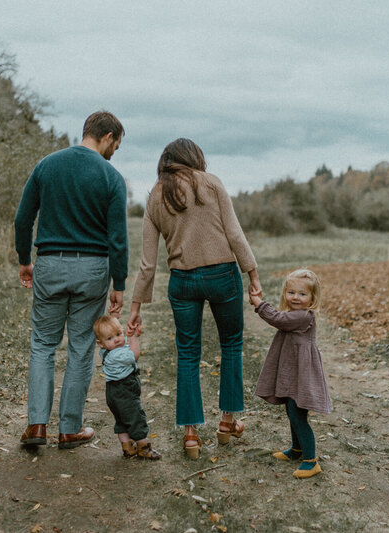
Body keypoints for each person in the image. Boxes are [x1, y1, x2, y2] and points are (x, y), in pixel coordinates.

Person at [127, 138, 262, 459]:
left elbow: (148, 262)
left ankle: (190, 435)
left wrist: (135, 308)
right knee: (231, 345)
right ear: (195, 158)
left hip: (183, 281)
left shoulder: (156, 195)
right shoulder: (211, 184)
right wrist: (253, 275)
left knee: (187, 355)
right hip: (222, 277)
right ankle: (228, 421)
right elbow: (234, 233)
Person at [15, 110, 128, 449]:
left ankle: (36, 427)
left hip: (49, 264)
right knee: (81, 348)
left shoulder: (47, 165)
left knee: (42, 345)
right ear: (107, 137)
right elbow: (118, 238)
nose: (113, 153)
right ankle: (69, 429)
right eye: (116, 145)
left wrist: (24, 260)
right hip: (92, 269)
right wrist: (118, 282)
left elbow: (23, 219)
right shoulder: (111, 176)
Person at [249, 268, 333, 478]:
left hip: (302, 376)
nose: (296, 297)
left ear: (312, 298)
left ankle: (311, 460)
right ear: (285, 293)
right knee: (291, 411)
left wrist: (260, 304)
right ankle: (297, 450)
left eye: (303, 294)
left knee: (298, 415)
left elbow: (278, 319)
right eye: (291, 292)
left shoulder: (304, 316)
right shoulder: (294, 314)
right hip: (292, 372)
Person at [93, 315, 161, 460]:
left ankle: (128, 448)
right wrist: (134, 338)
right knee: (135, 416)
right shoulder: (117, 354)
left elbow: (122, 345)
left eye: (118, 334)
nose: (117, 339)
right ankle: (144, 448)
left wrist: (130, 329)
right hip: (124, 390)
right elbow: (134, 355)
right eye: (110, 338)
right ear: (100, 343)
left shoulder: (107, 351)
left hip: (112, 392)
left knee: (122, 420)